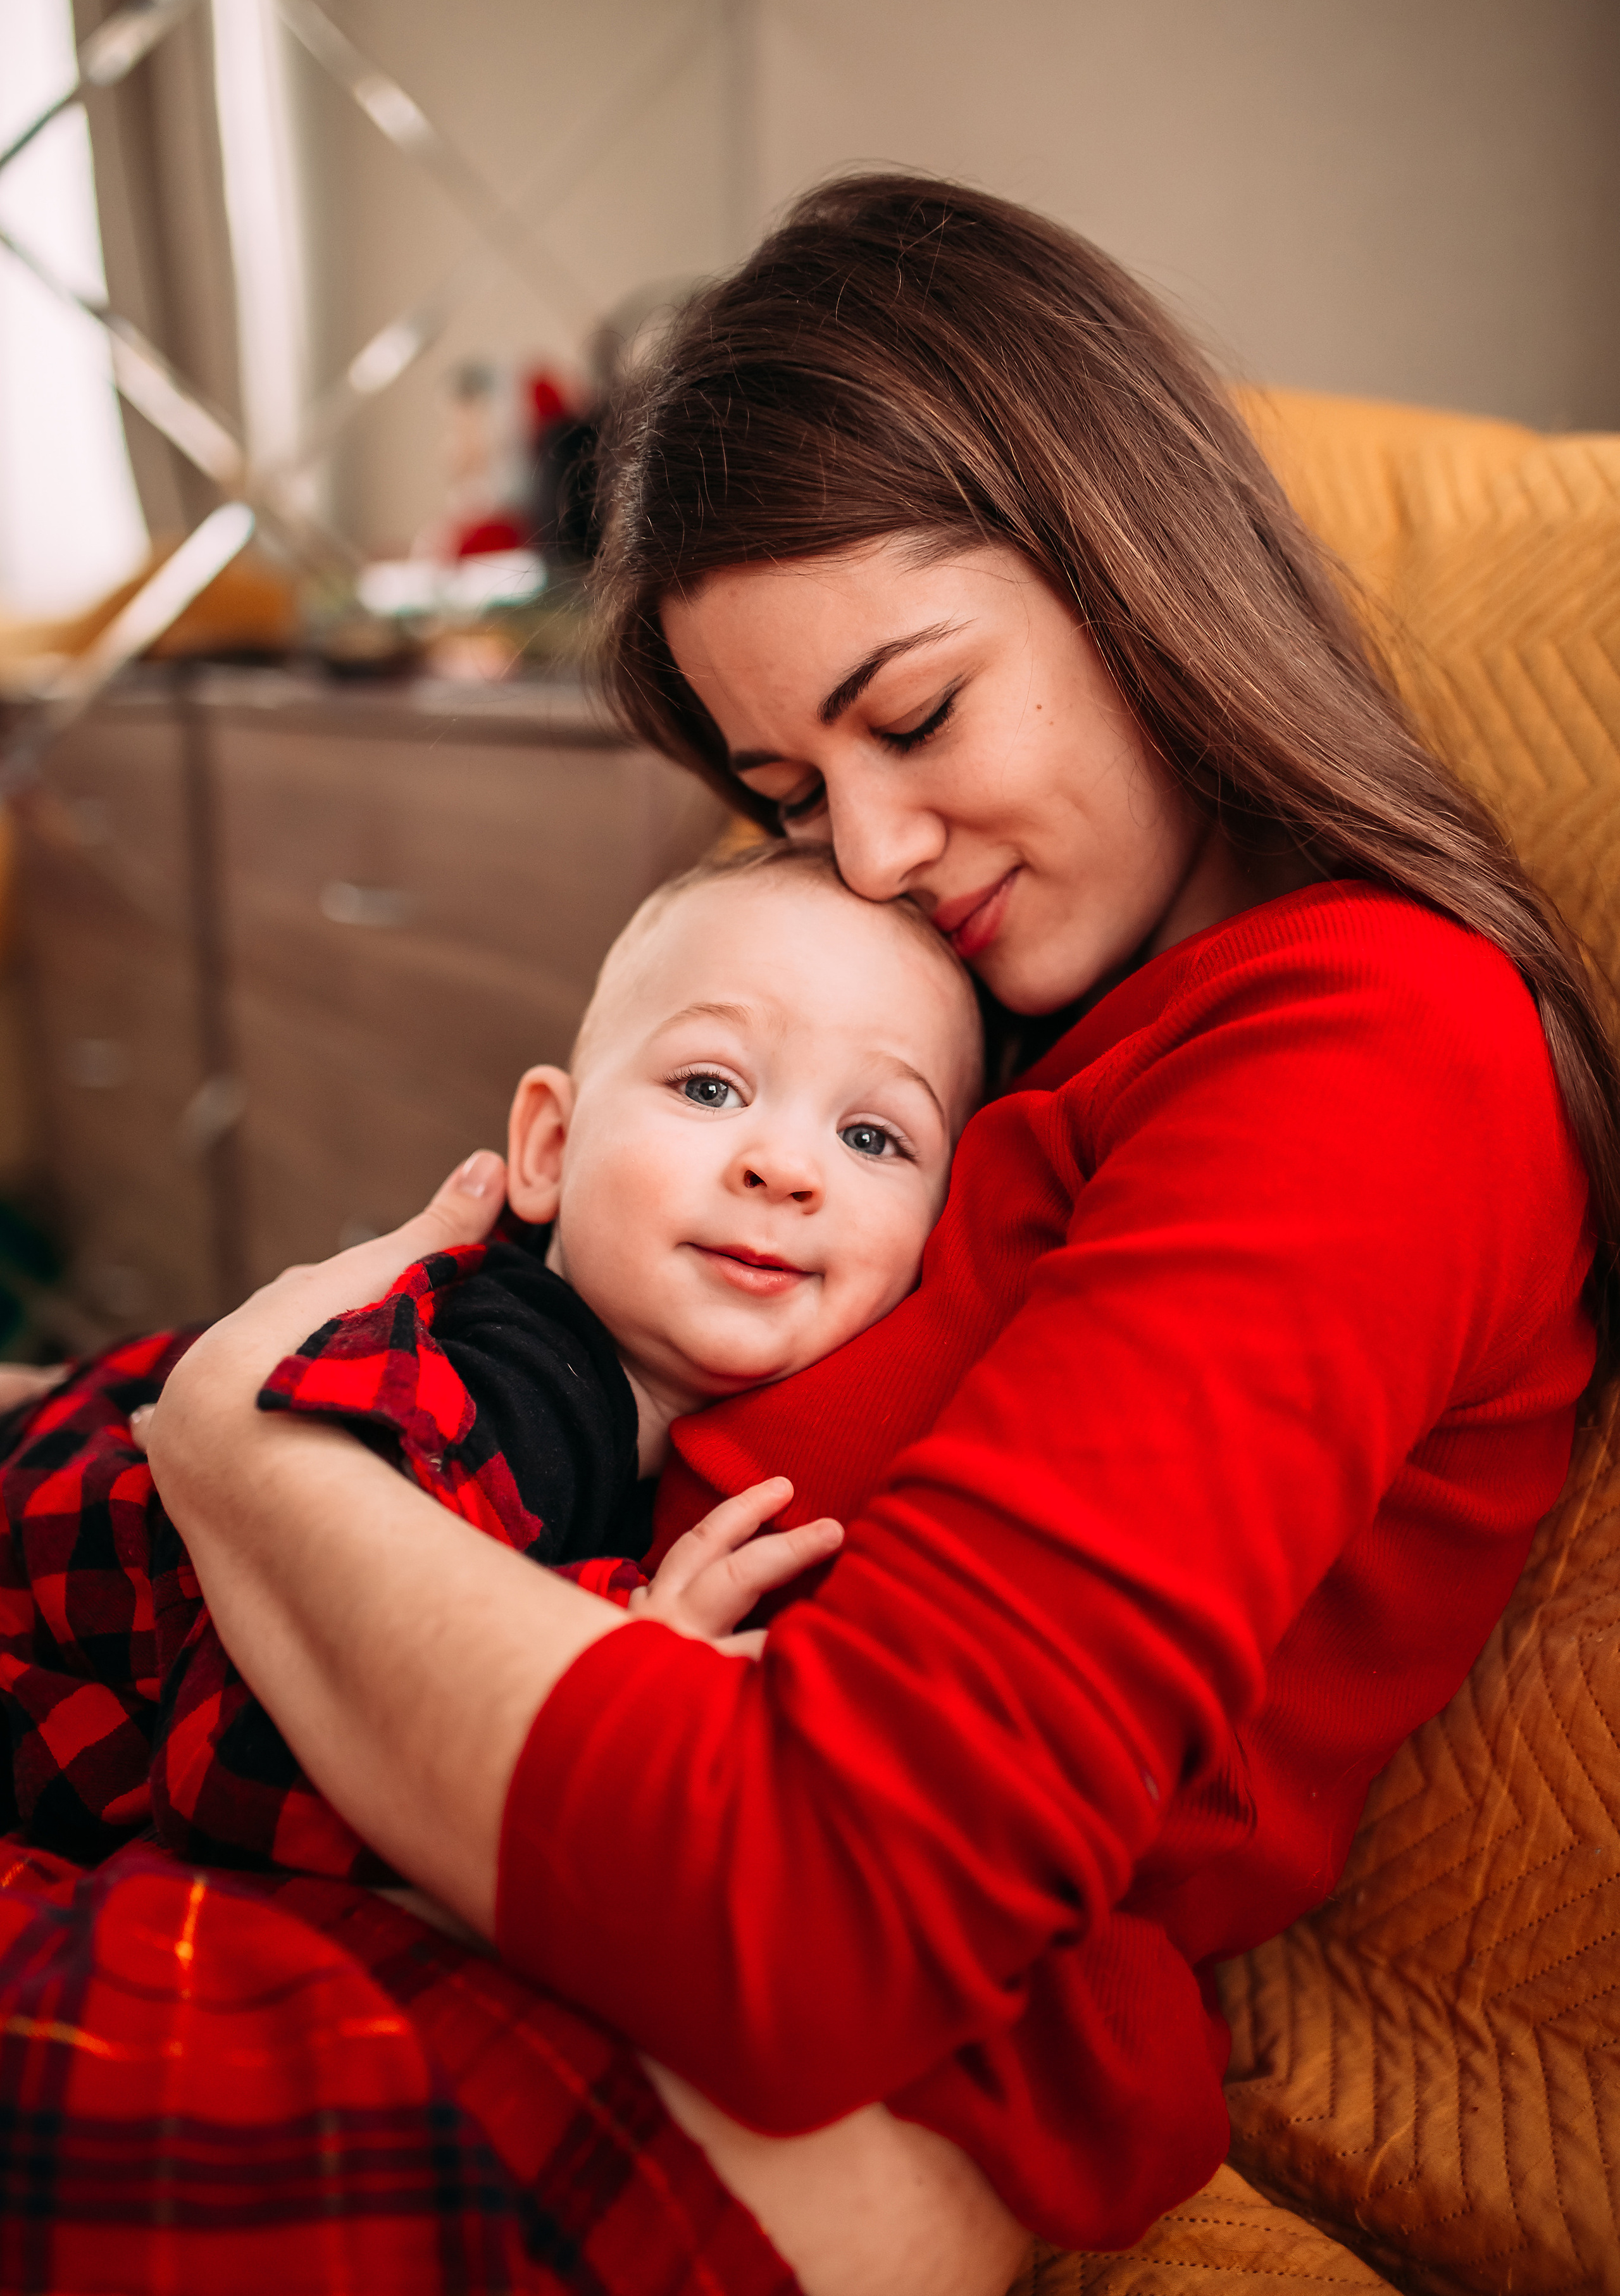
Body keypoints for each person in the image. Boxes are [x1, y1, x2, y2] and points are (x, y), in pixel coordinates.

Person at [4, 172, 1617, 2296]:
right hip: (400, 1874)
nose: (870, 849)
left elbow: (830, 1920)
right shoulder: (1002, 1009)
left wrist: (249, 1451)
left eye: (920, 715)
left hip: (692, 2103)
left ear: (1146, 573)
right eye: (784, 787)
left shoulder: (1370, 1049)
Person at [0, 840, 980, 1878]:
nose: (784, 1167)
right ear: (549, 1148)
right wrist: (617, 1663)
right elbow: (235, 1770)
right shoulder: (513, 1393)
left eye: (873, 1138)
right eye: (709, 1086)